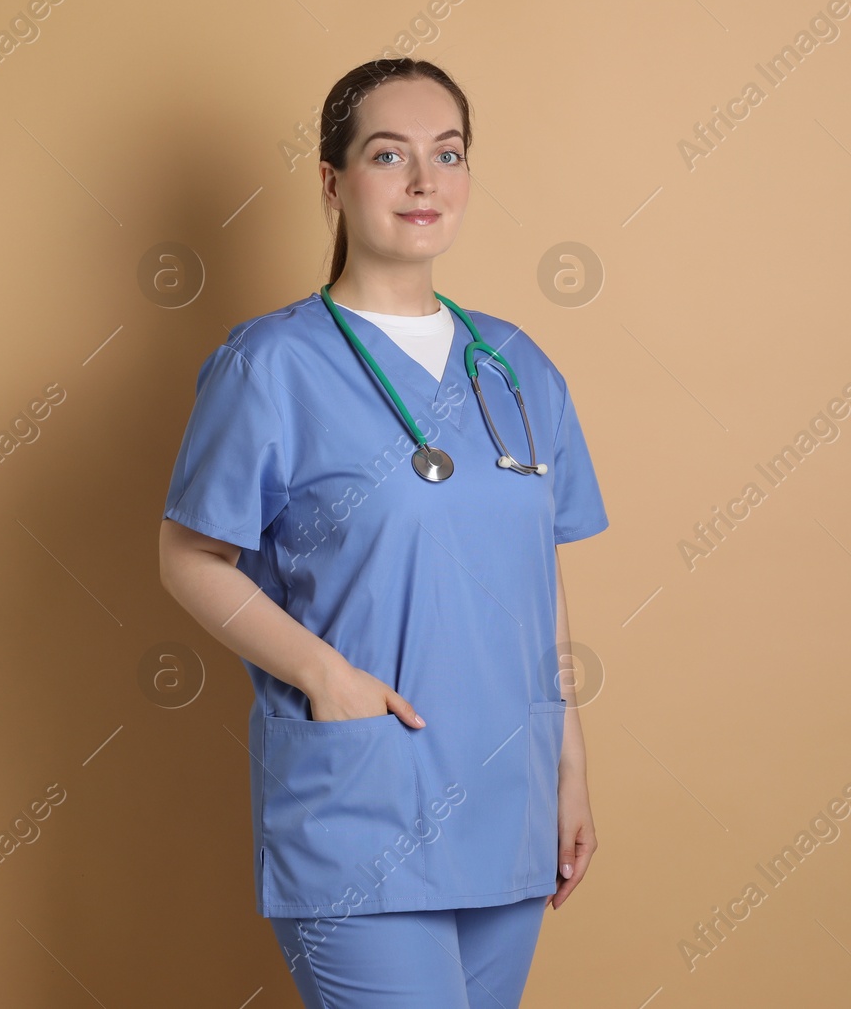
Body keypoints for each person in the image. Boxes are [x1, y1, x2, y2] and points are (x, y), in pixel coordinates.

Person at [158, 57, 610, 1008]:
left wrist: (569, 764)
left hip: (507, 800)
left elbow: (541, 575)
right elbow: (189, 556)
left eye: (448, 153)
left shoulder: (518, 364)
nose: (424, 181)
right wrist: (326, 677)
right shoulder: (271, 364)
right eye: (389, 154)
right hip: (362, 807)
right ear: (332, 182)